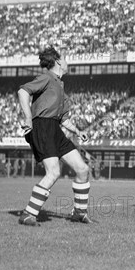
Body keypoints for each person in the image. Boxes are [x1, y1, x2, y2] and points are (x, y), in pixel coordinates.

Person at [17, 46, 92, 226]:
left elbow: (64, 120)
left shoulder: (60, 86)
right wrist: (28, 118)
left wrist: (77, 131)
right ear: (58, 62)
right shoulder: (47, 78)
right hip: (42, 126)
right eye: (65, 58)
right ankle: (28, 214)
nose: (68, 62)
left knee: (82, 170)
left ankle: (79, 213)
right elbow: (22, 91)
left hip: (55, 130)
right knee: (54, 172)